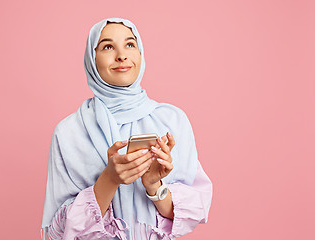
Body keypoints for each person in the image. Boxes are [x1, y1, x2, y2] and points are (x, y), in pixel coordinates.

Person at [41, 17, 213, 240]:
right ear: (92, 60)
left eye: (130, 44)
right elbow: (60, 231)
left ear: (140, 53)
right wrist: (109, 180)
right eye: (108, 46)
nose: (121, 55)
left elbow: (192, 213)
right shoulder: (68, 132)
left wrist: (154, 185)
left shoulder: (172, 120)